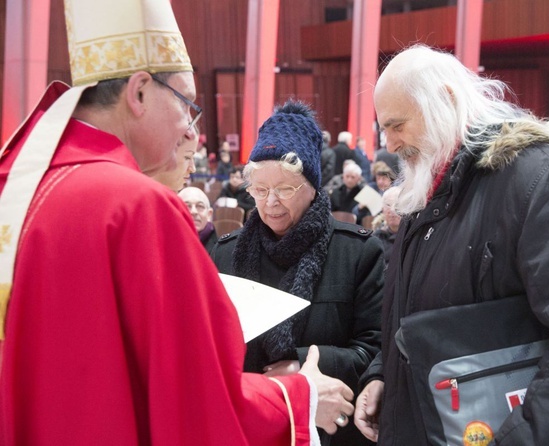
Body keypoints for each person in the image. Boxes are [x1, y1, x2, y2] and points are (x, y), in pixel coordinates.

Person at [0, 0, 355, 444]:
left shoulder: (22, 187)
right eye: (187, 104)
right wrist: (298, 397)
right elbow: (197, 403)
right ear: (140, 92)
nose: (191, 129)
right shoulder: (135, 206)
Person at [353, 44, 549, 445]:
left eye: (397, 125)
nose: (388, 143)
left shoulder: (536, 181)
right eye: (383, 128)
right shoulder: (429, 190)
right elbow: (420, 317)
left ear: (447, 101)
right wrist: (384, 374)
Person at [210, 100, 385, 446]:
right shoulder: (227, 253)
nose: (271, 202)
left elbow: (374, 348)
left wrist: (299, 368)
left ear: (313, 185)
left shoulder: (357, 252)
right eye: (259, 190)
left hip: (332, 429)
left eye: (285, 189)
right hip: (254, 426)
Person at [178, 186, 218, 253]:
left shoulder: (220, 250)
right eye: (187, 206)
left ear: (209, 214)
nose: (194, 212)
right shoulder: (163, 244)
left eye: (200, 206)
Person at [371, 186, 401, 267]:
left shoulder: (412, 238)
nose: (392, 210)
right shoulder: (376, 237)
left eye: (397, 205)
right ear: (383, 209)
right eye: (388, 205)